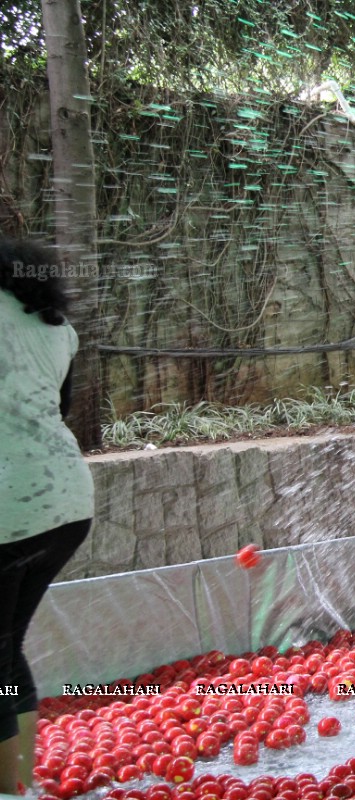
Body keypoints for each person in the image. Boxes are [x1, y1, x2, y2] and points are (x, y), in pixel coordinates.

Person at [0, 239, 94, 795]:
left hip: (8, 511)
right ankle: (19, 787)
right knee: (5, 653)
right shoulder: (56, 327)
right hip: (65, 504)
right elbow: (57, 408)